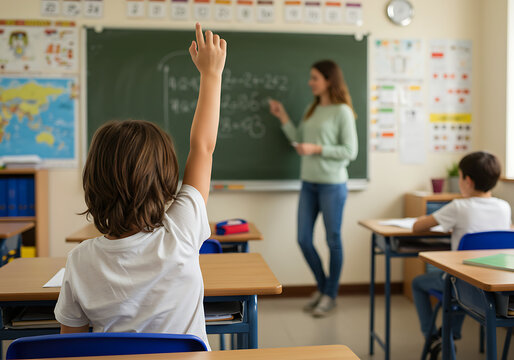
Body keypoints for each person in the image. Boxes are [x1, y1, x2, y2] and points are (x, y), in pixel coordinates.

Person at [54, 23, 227, 350]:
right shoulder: (182, 232)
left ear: (92, 182)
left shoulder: (80, 260)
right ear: (164, 182)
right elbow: (203, 147)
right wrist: (211, 75)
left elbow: (70, 351)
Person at [269, 60, 358, 317]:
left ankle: (330, 294)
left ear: (329, 80)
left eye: (315, 78)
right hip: (309, 183)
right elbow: (299, 137)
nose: (310, 82)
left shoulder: (342, 112)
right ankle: (323, 287)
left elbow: (350, 151)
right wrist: (283, 116)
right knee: (304, 239)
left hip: (333, 184)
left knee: (333, 240)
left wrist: (316, 149)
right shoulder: (312, 108)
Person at [412, 151, 511, 345]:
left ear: (468, 180)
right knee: (463, 276)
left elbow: (418, 227)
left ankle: (432, 335)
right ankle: (452, 332)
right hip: (494, 285)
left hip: (463, 287)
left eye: (460, 177)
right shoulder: (504, 207)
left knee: (420, 282)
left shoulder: (458, 207)